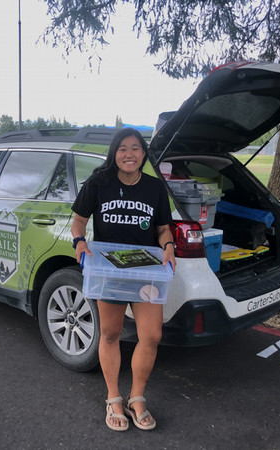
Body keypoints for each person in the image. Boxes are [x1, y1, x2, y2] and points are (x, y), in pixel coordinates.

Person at [71, 128, 176, 432]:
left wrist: (168, 247)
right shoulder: (98, 183)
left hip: (146, 272)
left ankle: (137, 397)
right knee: (110, 334)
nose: (129, 154)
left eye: (135, 148)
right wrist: (79, 242)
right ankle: (114, 397)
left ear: (144, 154)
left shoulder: (155, 188)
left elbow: (162, 229)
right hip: (110, 272)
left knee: (152, 335)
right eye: (122, 149)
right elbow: (78, 221)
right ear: (114, 153)